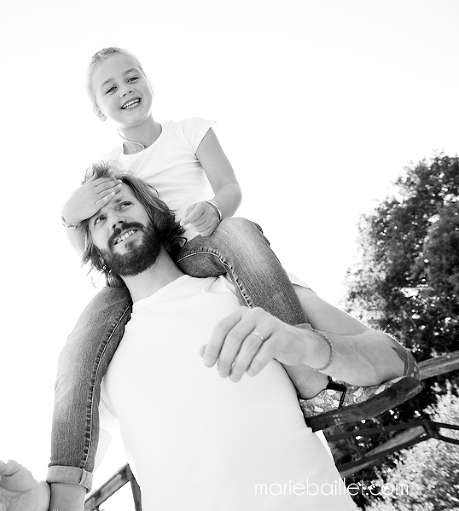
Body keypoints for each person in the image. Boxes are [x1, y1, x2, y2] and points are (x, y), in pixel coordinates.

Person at [50, 47, 419, 498]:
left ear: (149, 80)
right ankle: (64, 485)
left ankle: (303, 364)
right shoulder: (110, 169)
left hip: (203, 244)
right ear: (96, 107)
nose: (126, 91)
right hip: (142, 270)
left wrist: (214, 208)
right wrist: (69, 216)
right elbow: (91, 237)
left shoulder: (189, 131)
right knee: (79, 345)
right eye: (110, 88)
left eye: (132, 78)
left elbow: (230, 185)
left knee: (241, 233)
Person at [0, 163, 420, 511]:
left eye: (124, 204)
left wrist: (306, 345)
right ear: (91, 246)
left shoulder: (241, 285)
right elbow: (74, 471)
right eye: (98, 219)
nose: (115, 220)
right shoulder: (97, 359)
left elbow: (395, 360)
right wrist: (41, 503)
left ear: (154, 212)